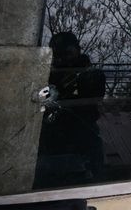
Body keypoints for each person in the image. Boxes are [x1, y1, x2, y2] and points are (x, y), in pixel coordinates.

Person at [34, 32, 106, 188]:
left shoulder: (91, 74)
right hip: (53, 139)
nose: (62, 58)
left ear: (78, 51)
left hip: (82, 136)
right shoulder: (48, 75)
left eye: (67, 53)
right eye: (57, 54)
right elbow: (38, 99)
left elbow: (94, 94)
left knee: (92, 178)